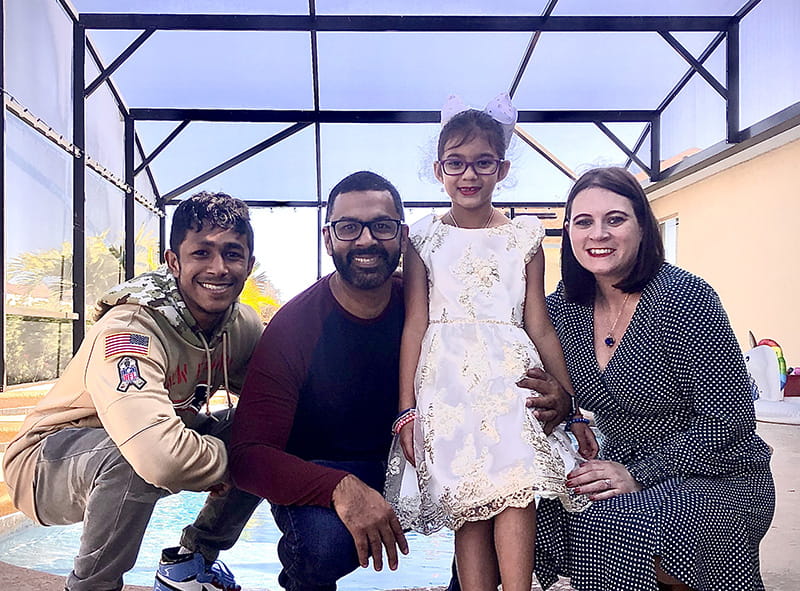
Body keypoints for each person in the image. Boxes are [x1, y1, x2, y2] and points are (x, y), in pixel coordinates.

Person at [228, 170, 572, 591]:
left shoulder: (434, 311)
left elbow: (513, 342)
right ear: (328, 238)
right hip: (328, 471)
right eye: (349, 227)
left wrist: (559, 395)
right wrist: (338, 487)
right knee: (320, 545)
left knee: (498, 487)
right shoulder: (295, 326)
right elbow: (247, 455)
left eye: (382, 226)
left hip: (417, 457)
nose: (367, 240)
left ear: (403, 235)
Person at [2, 191, 265, 591]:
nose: (218, 268)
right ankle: (92, 586)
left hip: (145, 446)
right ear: (173, 261)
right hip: (45, 465)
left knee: (262, 428)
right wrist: (241, 463)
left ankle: (192, 561)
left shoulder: (240, 324)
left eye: (232, 254)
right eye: (201, 253)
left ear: (248, 264)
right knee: (132, 456)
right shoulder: (131, 328)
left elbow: (277, 399)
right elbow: (158, 458)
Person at [386, 94, 597, 591]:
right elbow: (414, 323)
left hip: (512, 379)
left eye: (482, 163)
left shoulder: (523, 235)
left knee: (517, 487)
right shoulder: (422, 238)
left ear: (501, 168)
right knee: (469, 500)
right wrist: (406, 410)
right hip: (447, 386)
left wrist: (572, 407)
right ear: (439, 169)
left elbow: (540, 324)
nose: (469, 175)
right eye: (456, 164)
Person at [535, 167, 776, 591]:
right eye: (584, 221)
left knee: (612, 526)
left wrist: (638, 475)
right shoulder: (562, 310)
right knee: (524, 510)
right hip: (616, 462)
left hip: (718, 470)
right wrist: (565, 407)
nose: (598, 234)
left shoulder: (684, 297)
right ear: (569, 232)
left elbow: (731, 420)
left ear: (643, 227)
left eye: (615, 219)